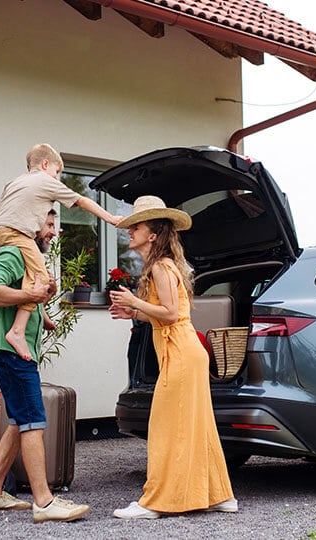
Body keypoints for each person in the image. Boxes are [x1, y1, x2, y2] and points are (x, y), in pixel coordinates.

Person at [108, 195, 238, 519]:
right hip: (185, 351)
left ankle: (156, 502)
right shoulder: (162, 265)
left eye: (135, 226)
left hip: (180, 352)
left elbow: (168, 314)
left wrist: (136, 304)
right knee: (199, 426)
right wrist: (133, 314)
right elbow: (169, 314)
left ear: (152, 234)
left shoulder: (160, 267)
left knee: (166, 427)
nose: (130, 231)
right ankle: (221, 495)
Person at [0, 210, 90, 523]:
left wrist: (42, 304)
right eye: (50, 225)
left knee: (17, 422)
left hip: (12, 351)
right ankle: (44, 501)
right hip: (10, 351)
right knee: (32, 420)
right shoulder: (13, 253)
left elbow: (25, 298)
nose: (54, 232)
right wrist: (30, 294)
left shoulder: (27, 260)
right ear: (30, 225)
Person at [0, 143, 123, 361]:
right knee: (41, 278)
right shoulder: (45, 180)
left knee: (32, 272)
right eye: (57, 171)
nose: (58, 177)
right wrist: (111, 218)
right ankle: (17, 331)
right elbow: (82, 200)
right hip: (17, 232)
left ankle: (38, 311)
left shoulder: (15, 181)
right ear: (44, 165)